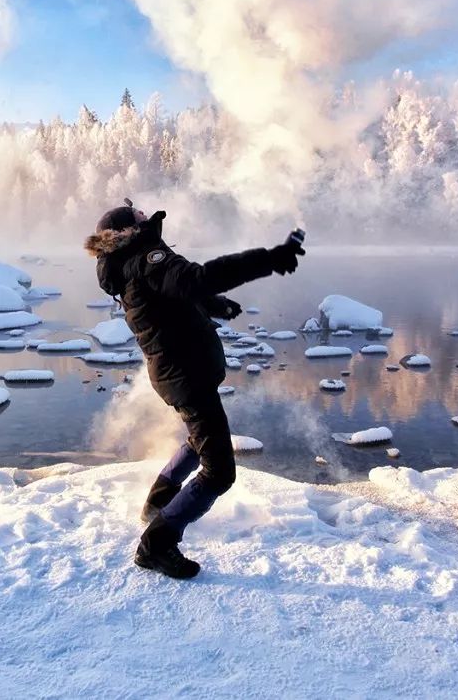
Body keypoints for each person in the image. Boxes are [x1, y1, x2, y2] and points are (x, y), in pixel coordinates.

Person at [84, 201, 305, 579]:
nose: (144, 213)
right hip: (185, 374)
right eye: (137, 215)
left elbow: (175, 295)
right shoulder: (146, 257)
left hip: (182, 371)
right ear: (128, 230)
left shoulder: (134, 261)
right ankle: (156, 544)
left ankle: (158, 503)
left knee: (196, 439)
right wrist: (269, 258)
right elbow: (196, 279)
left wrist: (215, 306)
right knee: (219, 472)